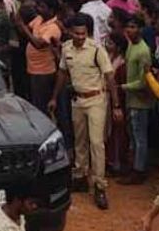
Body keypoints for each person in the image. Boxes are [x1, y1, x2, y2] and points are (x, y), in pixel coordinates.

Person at [49, 14, 121, 209]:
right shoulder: (66, 48)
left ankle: (99, 185)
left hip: (97, 99)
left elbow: (109, 77)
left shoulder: (97, 50)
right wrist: (55, 97)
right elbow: (62, 73)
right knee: (79, 140)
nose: (80, 36)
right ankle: (81, 176)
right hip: (77, 101)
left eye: (83, 33)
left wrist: (115, 105)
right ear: (70, 32)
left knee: (97, 143)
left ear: (88, 33)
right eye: (76, 33)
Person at [14, 0, 61, 114]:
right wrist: (18, 21)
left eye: (42, 7)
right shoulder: (39, 19)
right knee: (35, 102)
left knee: (41, 105)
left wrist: (22, 26)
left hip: (44, 72)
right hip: (33, 69)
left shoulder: (53, 27)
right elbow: (28, 31)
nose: (38, 9)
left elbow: (39, 44)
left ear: (51, 10)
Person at [120, 15, 153, 185]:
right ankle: (134, 166)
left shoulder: (143, 50)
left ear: (140, 29)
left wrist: (123, 87)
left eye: (133, 27)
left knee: (139, 137)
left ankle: (139, 170)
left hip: (139, 101)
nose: (129, 30)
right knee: (133, 136)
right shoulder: (131, 46)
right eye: (128, 26)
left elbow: (143, 81)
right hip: (131, 99)